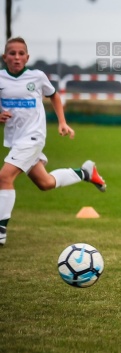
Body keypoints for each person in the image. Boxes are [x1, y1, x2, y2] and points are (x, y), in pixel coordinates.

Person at [0, 37, 106, 246]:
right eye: (12, 53)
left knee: (4, 177)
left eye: (21, 53)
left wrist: (62, 122)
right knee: (45, 183)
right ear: (5, 57)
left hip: (33, 137)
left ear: (27, 57)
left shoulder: (37, 77)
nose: (17, 57)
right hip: (15, 140)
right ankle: (86, 173)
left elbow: (54, 96)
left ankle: (1, 231)